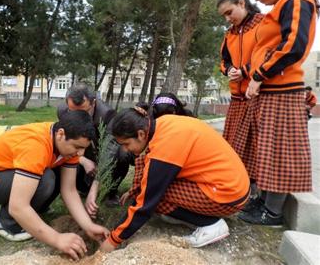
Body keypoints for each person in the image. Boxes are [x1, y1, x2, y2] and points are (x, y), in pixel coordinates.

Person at [100, 107, 250, 251]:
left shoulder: (164, 147)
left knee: (156, 197)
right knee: (152, 189)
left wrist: (113, 240)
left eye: (126, 144)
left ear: (140, 134)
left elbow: (145, 204)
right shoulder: (162, 124)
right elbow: (146, 162)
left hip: (228, 194)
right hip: (233, 184)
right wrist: (135, 189)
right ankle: (195, 216)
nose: (125, 150)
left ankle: (211, 224)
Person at [0, 110, 109, 261]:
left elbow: (69, 190)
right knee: (46, 179)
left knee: (48, 177)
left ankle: (26, 216)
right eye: (77, 147)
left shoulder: (69, 147)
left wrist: (88, 226)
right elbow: (18, 206)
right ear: (61, 134)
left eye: (83, 148)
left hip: (6, 175)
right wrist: (57, 239)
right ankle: (5, 222)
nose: (80, 154)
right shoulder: (36, 145)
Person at [238, 0, 318, 226]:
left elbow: (294, 45)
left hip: (283, 91)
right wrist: (249, 72)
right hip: (270, 90)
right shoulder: (279, 6)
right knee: (267, 151)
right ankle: (264, 201)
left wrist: (260, 75)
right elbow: (267, 48)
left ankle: (272, 212)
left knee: (280, 152)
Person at [57, 83, 134, 217]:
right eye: (73, 111)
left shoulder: (108, 115)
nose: (78, 116)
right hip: (81, 154)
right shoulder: (62, 111)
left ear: (93, 103)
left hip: (102, 152)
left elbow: (110, 150)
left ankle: (111, 191)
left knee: (122, 153)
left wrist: (95, 186)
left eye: (84, 111)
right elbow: (62, 143)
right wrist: (83, 160)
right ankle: (79, 187)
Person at [120, 93, 194, 206]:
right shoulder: (153, 126)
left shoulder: (187, 122)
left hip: (188, 170)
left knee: (155, 193)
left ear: (174, 113)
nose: (164, 123)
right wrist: (134, 189)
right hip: (172, 166)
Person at [217, 0, 263, 150]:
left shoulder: (263, 23)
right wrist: (229, 70)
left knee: (258, 152)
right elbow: (224, 61)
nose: (227, 19)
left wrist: (244, 71)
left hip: (258, 98)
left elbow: (269, 56)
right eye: (224, 15)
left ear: (242, 3)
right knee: (233, 151)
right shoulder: (229, 34)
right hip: (237, 101)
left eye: (229, 12)